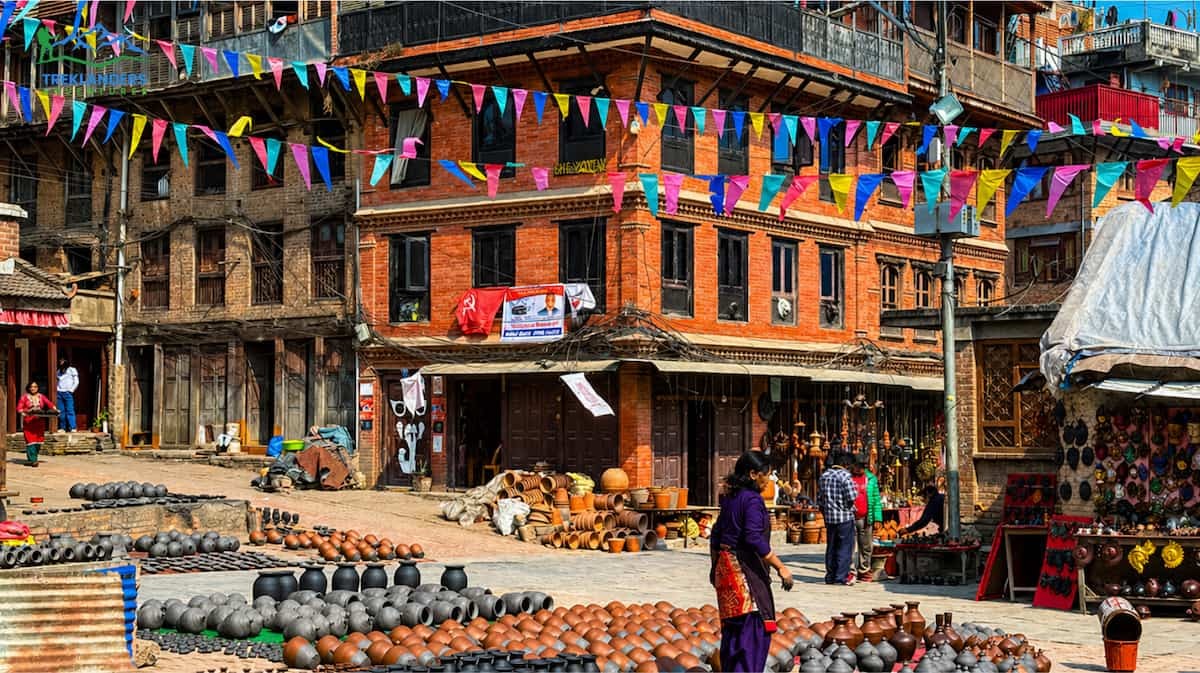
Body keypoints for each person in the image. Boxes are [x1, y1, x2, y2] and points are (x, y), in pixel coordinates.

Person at [710, 450, 794, 673]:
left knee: (733, 632)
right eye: (765, 475)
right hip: (743, 572)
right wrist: (781, 567)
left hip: (725, 569)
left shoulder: (729, 497)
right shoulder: (752, 500)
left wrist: (714, 567)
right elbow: (753, 537)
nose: (768, 480)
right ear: (753, 474)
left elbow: (716, 534)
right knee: (752, 634)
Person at [817, 451, 859, 585]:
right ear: (845, 464)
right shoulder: (846, 477)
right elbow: (852, 497)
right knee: (845, 547)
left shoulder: (824, 476)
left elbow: (820, 499)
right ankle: (840, 576)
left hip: (830, 518)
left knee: (831, 547)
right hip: (844, 517)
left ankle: (830, 575)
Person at [850, 454, 883, 582]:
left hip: (866, 518)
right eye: (858, 466)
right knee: (850, 546)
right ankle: (851, 571)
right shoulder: (847, 478)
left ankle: (864, 570)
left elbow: (876, 500)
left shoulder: (871, 479)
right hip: (851, 518)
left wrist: (877, 518)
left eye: (862, 466)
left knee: (866, 546)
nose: (860, 469)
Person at [17, 381, 57, 467]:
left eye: (35, 387)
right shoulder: (24, 397)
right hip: (29, 422)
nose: (33, 388)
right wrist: (24, 412)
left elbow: (49, 403)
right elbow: (19, 408)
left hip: (39, 422)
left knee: (38, 441)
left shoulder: (41, 396)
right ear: (28, 388)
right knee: (30, 441)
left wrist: (55, 409)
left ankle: (32, 459)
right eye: (31, 387)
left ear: (37, 388)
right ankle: (33, 460)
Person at [56, 358, 78, 432]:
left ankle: (73, 427)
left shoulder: (72, 369)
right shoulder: (58, 371)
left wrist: (71, 390)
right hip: (59, 393)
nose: (61, 362)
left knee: (70, 410)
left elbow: (76, 381)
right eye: (60, 360)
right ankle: (63, 428)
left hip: (67, 393)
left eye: (62, 360)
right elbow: (57, 381)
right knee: (61, 411)